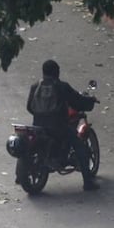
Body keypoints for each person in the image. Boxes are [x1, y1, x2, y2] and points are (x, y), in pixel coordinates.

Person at [17, 59, 99, 191]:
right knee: (81, 148)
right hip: (58, 128)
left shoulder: (35, 86)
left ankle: (20, 176)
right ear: (57, 72)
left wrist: (41, 116)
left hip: (38, 127)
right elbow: (77, 102)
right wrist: (90, 101)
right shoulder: (62, 86)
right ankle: (88, 182)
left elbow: (29, 107)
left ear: (43, 72)